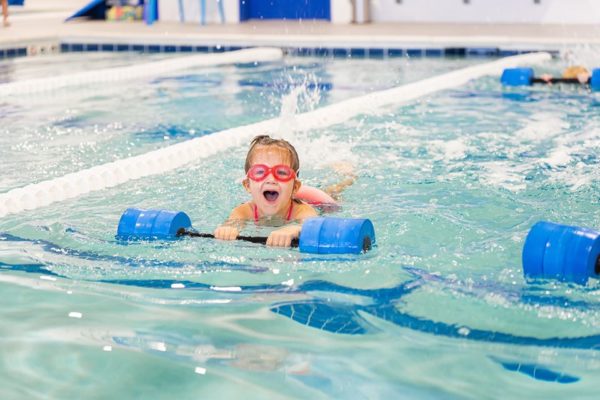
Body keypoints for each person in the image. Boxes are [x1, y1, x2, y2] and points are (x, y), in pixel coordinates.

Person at [214, 135, 319, 247]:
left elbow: (313, 226)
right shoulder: (244, 212)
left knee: (333, 194)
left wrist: (294, 229)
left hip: (320, 204)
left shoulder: (301, 211)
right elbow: (231, 224)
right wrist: (227, 229)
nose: (271, 179)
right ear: (248, 185)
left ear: (295, 187)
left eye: (282, 173)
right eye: (260, 172)